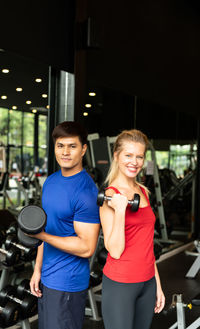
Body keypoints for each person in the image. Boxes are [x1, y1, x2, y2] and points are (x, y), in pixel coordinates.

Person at [29, 121, 100, 329]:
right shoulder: (51, 182)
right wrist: (37, 269)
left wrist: (41, 236)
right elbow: (46, 227)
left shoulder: (86, 192)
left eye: (72, 146)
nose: (65, 152)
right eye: (60, 146)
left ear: (83, 149)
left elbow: (87, 247)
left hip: (67, 283)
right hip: (48, 278)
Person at [100, 129, 165, 329]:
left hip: (147, 282)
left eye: (139, 156)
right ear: (116, 156)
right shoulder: (110, 196)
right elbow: (115, 250)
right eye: (128, 155)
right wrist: (120, 211)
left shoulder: (141, 191)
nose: (134, 162)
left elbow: (146, 243)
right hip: (121, 283)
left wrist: (157, 285)